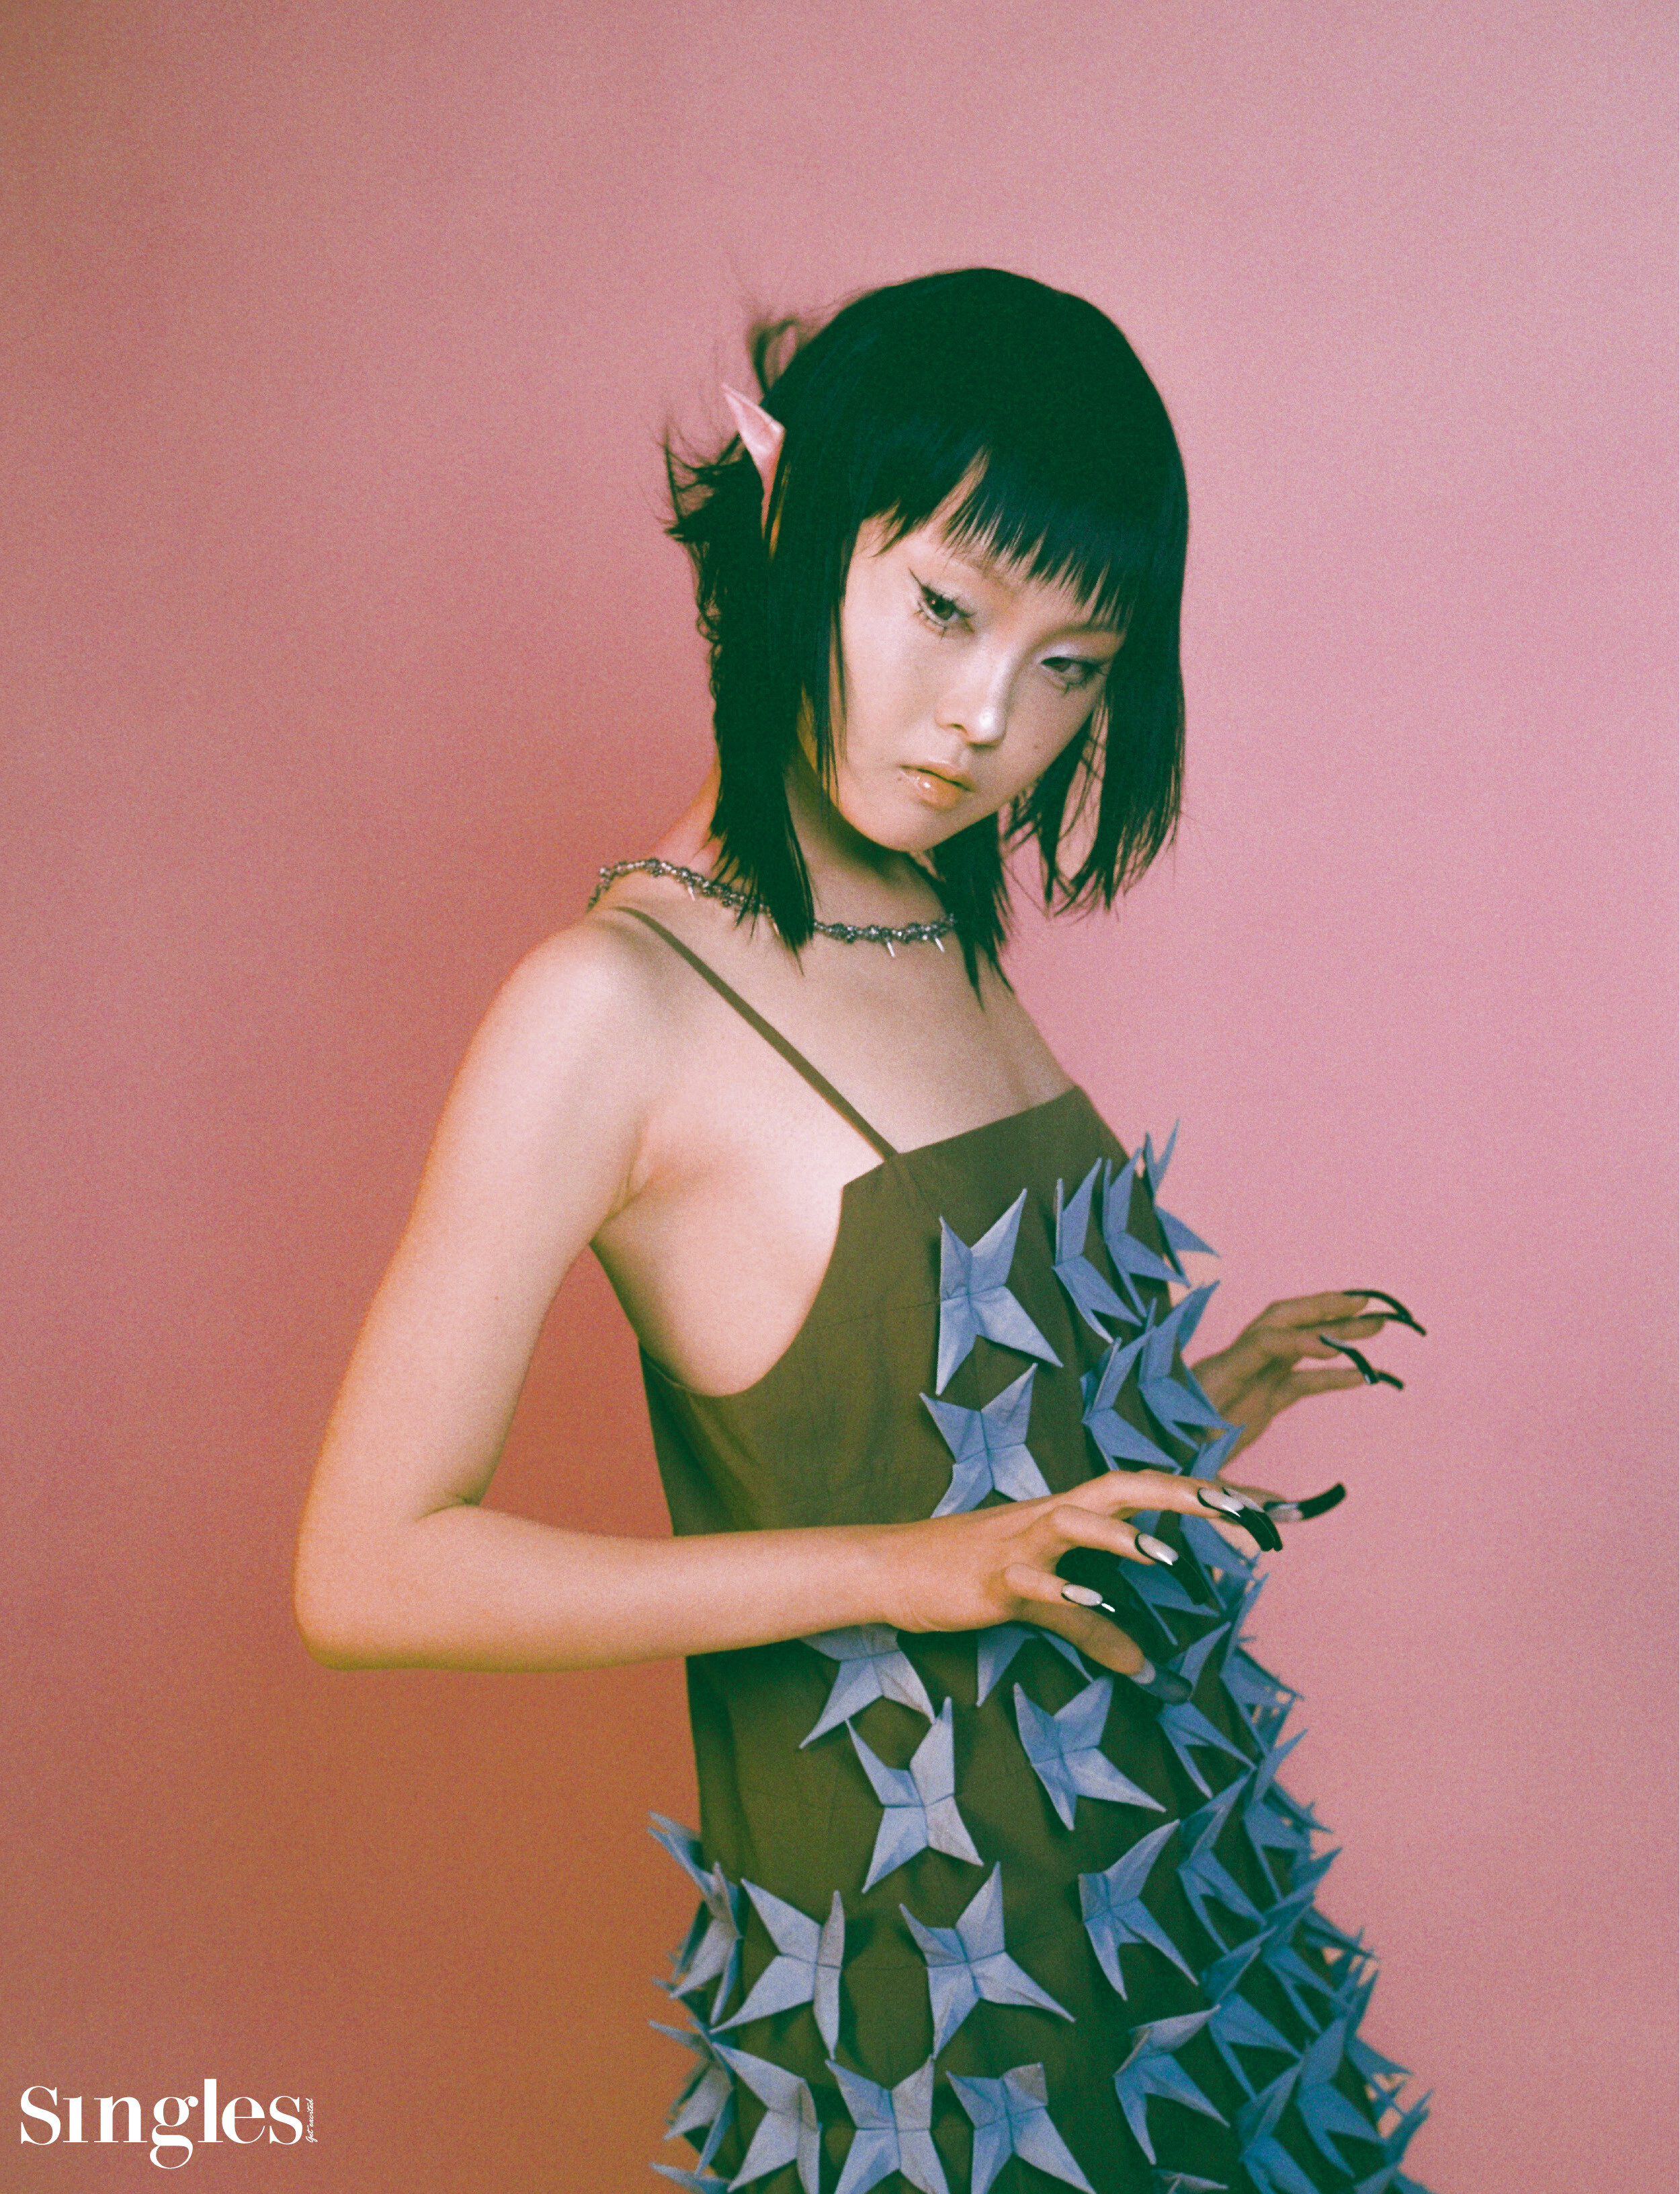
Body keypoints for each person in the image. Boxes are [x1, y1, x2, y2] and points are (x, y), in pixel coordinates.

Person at [292, 268, 1433, 2194]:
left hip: (1191, 1925)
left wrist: (1202, 1406)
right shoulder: (610, 1006)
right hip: (947, 2016)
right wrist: (915, 1571)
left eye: (1073, 665)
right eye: (945, 609)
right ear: (792, 534)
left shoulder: (939, 919)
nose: (989, 720)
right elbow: (367, 1572)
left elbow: (965, 1471)